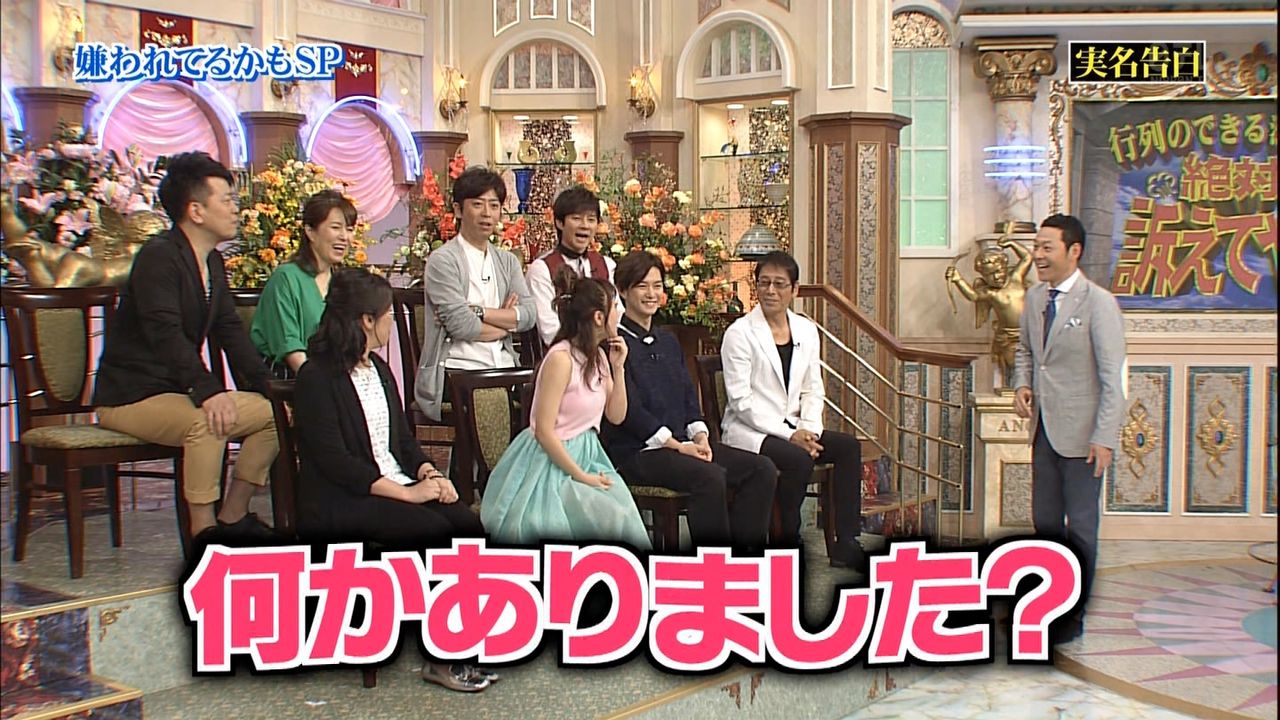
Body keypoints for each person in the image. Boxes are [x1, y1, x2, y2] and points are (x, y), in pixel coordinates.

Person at [292, 268, 496, 692]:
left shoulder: (380, 369)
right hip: (344, 497)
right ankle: (441, 657)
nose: (391, 322)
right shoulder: (317, 377)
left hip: (395, 483)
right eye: (387, 314)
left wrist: (429, 474)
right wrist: (407, 494)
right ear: (366, 320)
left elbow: (402, 440)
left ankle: (464, 641)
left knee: (468, 525)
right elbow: (337, 463)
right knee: (434, 532)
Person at [93, 151, 277, 543]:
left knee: (273, 415)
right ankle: (203, 532)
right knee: (208, 420)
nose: (236, 209)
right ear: (195, 210)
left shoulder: (212, 263)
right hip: (131, 396)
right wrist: (207, 390)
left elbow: (230, 332)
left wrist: (269, 388)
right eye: (227, 200)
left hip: (177, 393)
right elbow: (165, 334)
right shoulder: (159, 257)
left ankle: (233, 514)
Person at [602, 251, 776, 549]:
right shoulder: (615, 345)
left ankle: (746, 557)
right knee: (709, 477)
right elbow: (631, 414)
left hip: (683, 444)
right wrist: (677, 446)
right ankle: (715, 564)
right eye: (642, 286)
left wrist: (700, 436)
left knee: (761, 469)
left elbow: (687, 395)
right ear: (623, 290)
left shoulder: (668, 341)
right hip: (639, 451)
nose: (651, 294)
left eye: (657, 286)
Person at [1013, 213, 1126, 644]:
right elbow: (1026, 352)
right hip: (1044, 430)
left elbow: (1114, 378)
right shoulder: (1033, 297)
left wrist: (1105, 437)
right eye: (1036, 247)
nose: (1038, 255)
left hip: (1084, 437)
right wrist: (1022, 384)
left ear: (1073, 251)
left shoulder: (1099, 303)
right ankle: (1049, 605)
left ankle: (1073, 615)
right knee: (1045, 523)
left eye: (1047, 247)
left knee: (1079, 528)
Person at [480, 267, 650, 549]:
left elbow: (616, 416)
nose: (619, 314)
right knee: (590, 518)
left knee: (619, 513)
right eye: (615, 308)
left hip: (589, 453)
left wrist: (618, 369)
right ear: (599, 317)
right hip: (551, 459)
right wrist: (580, 476)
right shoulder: (561, 359)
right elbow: (544, 431)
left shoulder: (599, 358)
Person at [718, 251, 867, 569]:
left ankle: (846, 541)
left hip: (797, 425)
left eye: (779, 284)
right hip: (752, 431)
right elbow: (741, 402)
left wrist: (809, 429)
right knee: (797, 458)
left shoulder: (806, 330)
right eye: (764, 283)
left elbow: (813, 387)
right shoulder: (740, 333)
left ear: (794, 290)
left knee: (848, 447)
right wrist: (790, 435)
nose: (770, 291)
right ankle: (787, 536)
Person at [414, 166, 537, 421]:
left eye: (494, 205)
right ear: (458, 210)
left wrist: (479, 312)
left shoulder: (507, 261)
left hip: (504, 367)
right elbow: (462, 325)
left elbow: (528, 315)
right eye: (478, 204)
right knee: (492, 403)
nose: (487, 213)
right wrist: (505, 325)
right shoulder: (442, 260)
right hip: (458, 370)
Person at [251, 190, 357, 377]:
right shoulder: (286, 278)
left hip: (333, 377)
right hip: (293, 379)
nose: (344, 237)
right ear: (310, 232)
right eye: (336, 227)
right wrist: (324, 387)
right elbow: (291, 349)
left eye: (349, 229)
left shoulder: (342, 281)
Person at [526, 186, 616, 347]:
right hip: (563, 355)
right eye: (576, 218)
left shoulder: (606, 265)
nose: (585, 225)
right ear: (559, 223)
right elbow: (550, 330)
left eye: (591, 219)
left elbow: (617, 316)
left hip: (605, 353)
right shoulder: (542, 270)